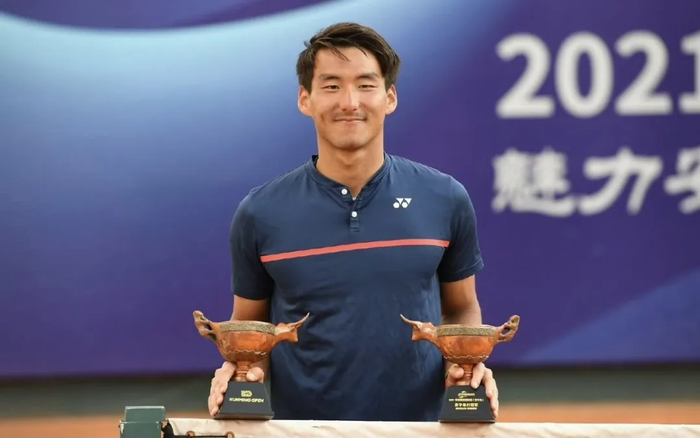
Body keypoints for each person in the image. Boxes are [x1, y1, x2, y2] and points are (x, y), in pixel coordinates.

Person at [208, 22, 499, 422]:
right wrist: (243, 370)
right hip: (303, 431)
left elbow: (462, 309)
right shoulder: (260, 212)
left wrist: (464, 366)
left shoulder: (445, 198)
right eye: (331, 86)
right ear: (305, 99)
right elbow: (250, 326)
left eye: (365, 85)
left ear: (390, 97)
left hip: (421, 430)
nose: (349, 102)